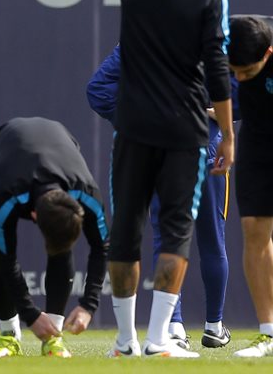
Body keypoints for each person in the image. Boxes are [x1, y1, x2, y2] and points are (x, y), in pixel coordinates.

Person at [93, 0, 233, 358]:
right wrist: (227, 135)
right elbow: (216, 71)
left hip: (133, 126)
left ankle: (124, 341)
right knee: (176, 234)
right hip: (185, 130)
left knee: (127, 229)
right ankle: (158, 338)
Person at [87, 43, 232, 349]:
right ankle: (209, 326)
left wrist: (142, 118)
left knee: (168, 238)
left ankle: (175, 327)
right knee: (210, 239)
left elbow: (99, 91)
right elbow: (237, 94)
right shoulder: (212, 41)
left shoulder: (140, 39)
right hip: (201, 148)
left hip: (162, 150)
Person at [0, 117, 109, 358]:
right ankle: (8, 336)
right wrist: (30, 314)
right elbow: (4, 258)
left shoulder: (87, 194)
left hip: (60, 143)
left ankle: (53, 338)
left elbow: (103, 248)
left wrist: (89, 305)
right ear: (34, 215)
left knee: (61, 243)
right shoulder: (7, 197)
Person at [225, 15, 273, 357]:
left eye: (247, 73)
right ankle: (269, 333)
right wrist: (227, 136)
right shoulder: (224, 40)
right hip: (257, 141)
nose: (239, 79)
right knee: (254, 228)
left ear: (269, 53)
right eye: (234, 72)